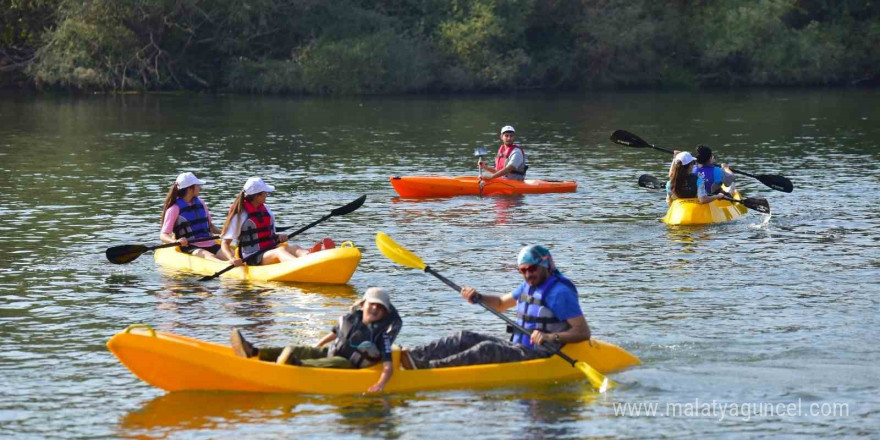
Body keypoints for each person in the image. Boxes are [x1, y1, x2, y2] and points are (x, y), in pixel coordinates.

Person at [402, 245, 590, 369]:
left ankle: (427, 370)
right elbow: (500, 304)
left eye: (532, 269)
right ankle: (412, 357)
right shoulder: (529, 286)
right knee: (464, 337)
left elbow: (582, 332)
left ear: (546, 265)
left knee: (487, 349)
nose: (527, 274)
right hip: (520, 348)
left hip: (542, 354)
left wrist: (550, 336)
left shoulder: (559, 293)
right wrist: (478, 297)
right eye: (522, 270)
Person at [230, 287, 403, 393]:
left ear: (385, 314)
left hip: (348, 365)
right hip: (331, 351)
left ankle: (296, 366)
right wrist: (317, 345)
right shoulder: (352, 319)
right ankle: (255, 351)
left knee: (335, 362)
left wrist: (380, 384)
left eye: (380, 307)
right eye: (372, 304)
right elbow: (335, 334)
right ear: (363, 304)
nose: (375, 308)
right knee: (302, 350)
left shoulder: (381, 336)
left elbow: (388, 367)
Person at [219, 177, 321, 266]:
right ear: (256, 196)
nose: (266, 195)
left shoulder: (266, 209)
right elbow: (225, 243)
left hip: (269, 249)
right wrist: (232, 258)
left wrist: (278, 237)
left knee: (295, 247)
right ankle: (303, 265)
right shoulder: (240, 214)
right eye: (264, 193)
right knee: (280, 251)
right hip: (252, 256)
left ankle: (312, 257)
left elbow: (269, 234)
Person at [159, 172, 226, 261]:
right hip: (191, 246)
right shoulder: (174, 209)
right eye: (197, 185)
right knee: (210, 257)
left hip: (210, 243)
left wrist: (224, 233)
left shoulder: (201, 203)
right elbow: (163, 236)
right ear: (190, 189)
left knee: (231, 255)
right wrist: (176, 242)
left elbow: (211, 227)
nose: (200, 188)